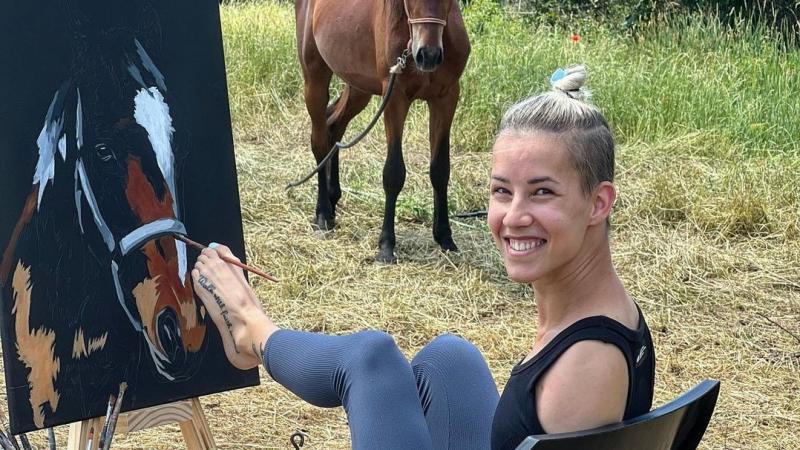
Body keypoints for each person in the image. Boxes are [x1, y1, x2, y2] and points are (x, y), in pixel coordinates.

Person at [190, 65, 655, 450]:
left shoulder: (582, 369)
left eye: (542, 193)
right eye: (501, 191)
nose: (513, 217)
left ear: (599, 203)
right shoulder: (609, 316)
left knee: (366, 359)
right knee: (449, 358)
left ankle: (253, 332)